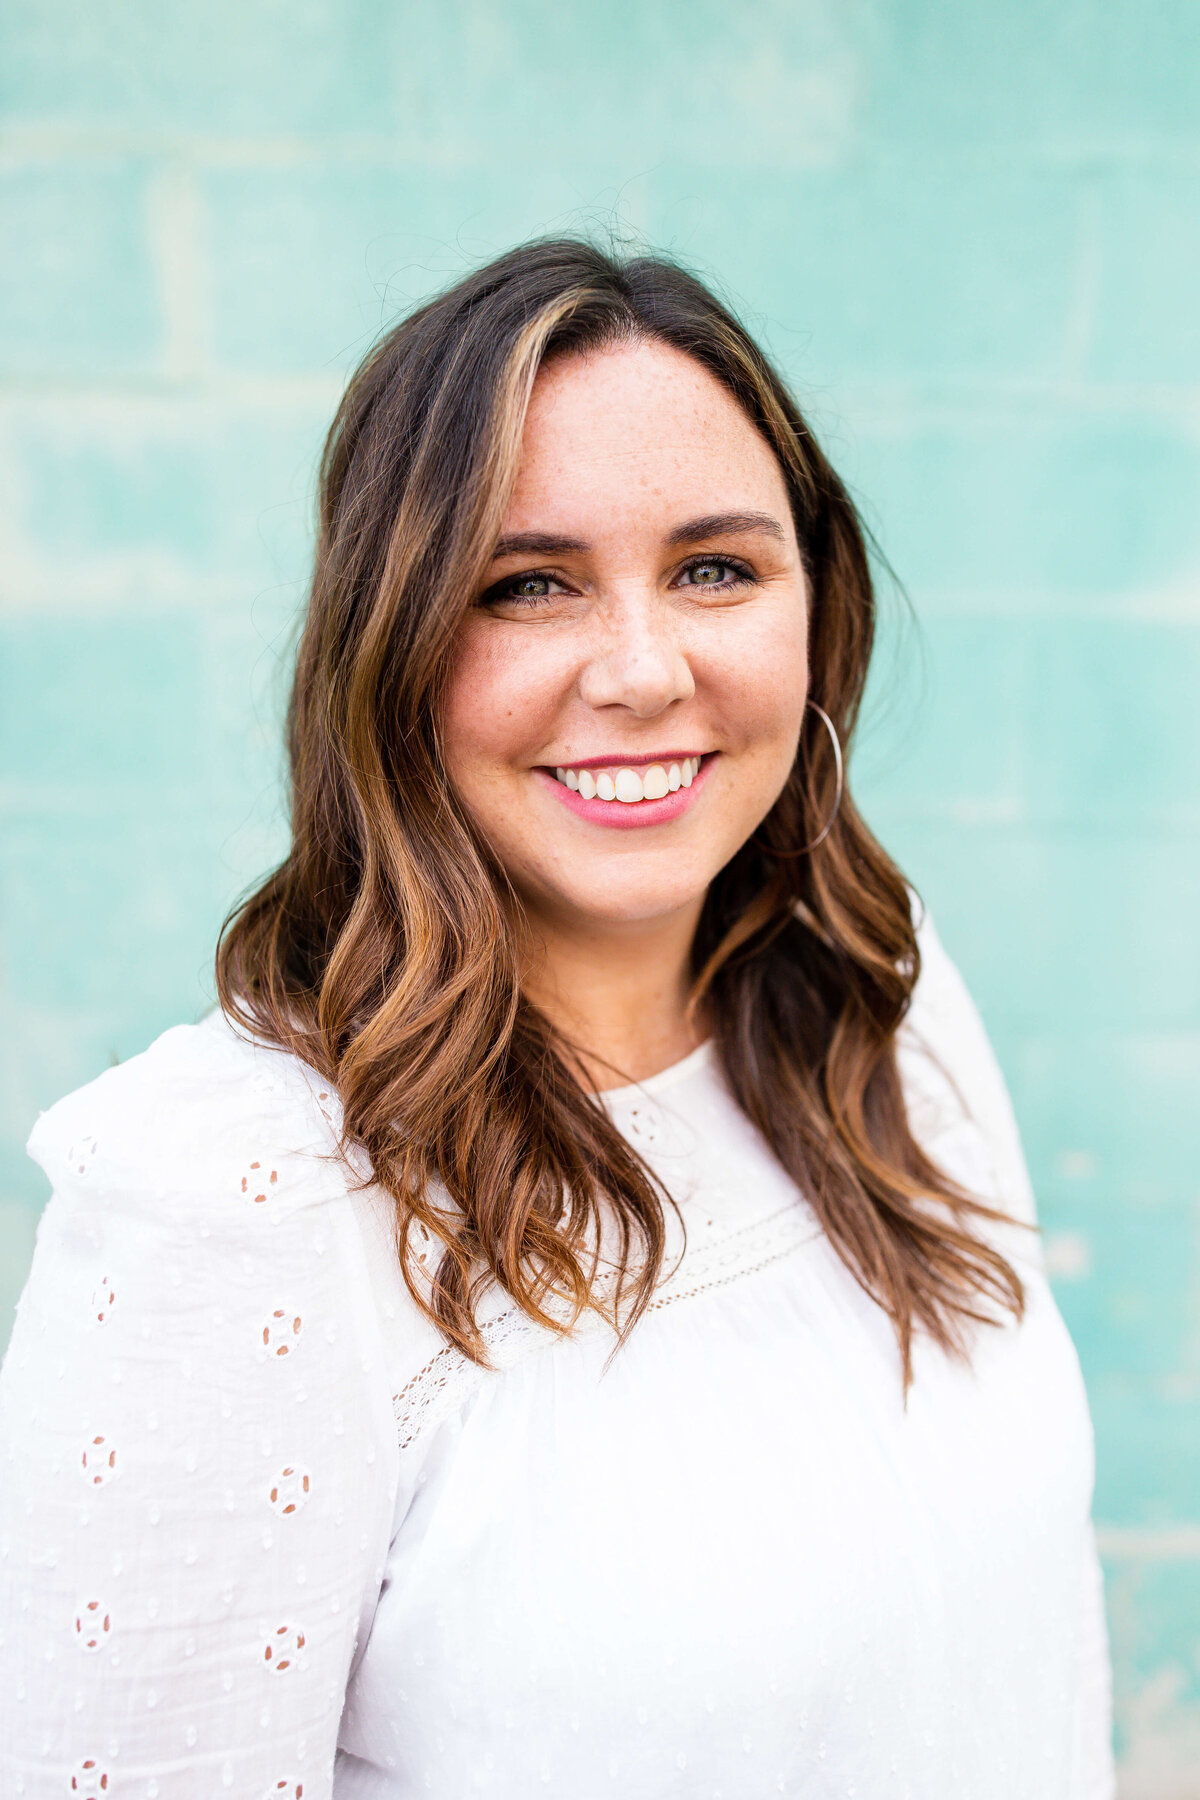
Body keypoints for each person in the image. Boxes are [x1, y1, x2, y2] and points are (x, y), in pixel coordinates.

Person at [0, 239, 1114, 1798]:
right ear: (388, 651)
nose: (646, 671)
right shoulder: (238, 1200)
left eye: (716, 569)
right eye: (528, 585)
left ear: (817, 607)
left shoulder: (882, 996)